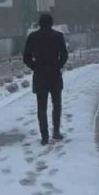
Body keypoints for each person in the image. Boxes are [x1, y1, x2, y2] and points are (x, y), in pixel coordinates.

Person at [23, 14, 69, 145]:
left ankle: (44, 136)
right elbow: (64, 55)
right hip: (54, 74)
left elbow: (26, 57)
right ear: (51, 23)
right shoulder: (58, 36)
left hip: (40, 76)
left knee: (41, 107)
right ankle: (56, 131)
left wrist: (35, 67)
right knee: (57, 104)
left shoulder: (33, 37)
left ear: (39, 23)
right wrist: (58, 65)